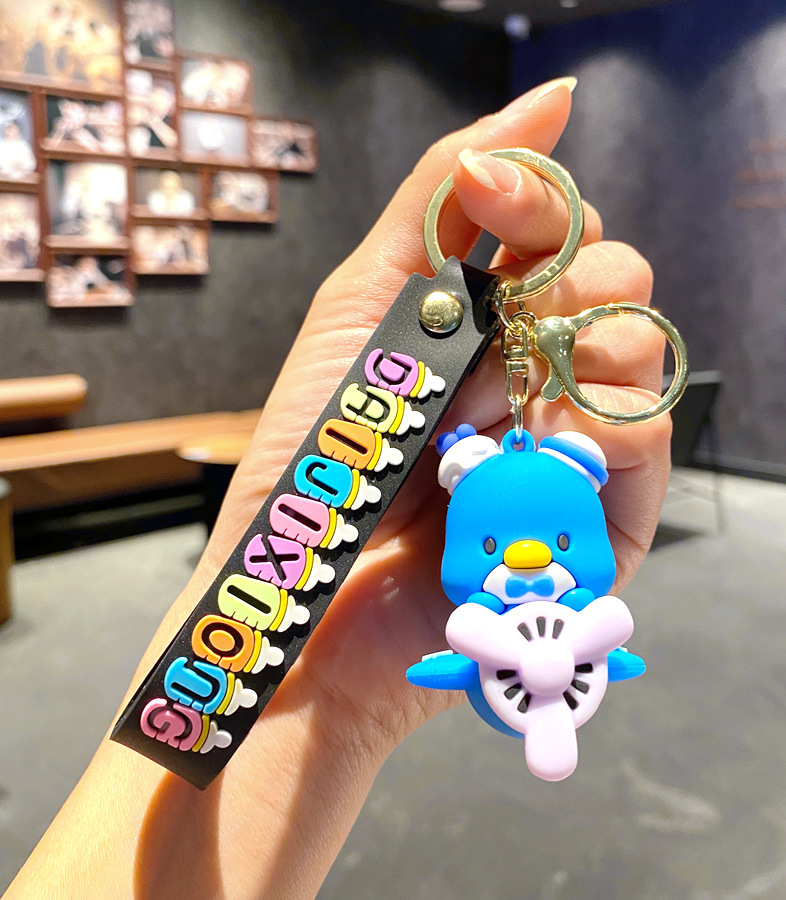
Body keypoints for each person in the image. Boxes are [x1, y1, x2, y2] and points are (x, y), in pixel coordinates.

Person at [3, 78, 670, 899]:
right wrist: (317, 686)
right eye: (498, 544)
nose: (530, 554)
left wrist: (339, 701)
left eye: (557, 544)